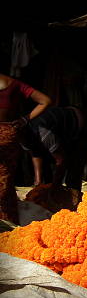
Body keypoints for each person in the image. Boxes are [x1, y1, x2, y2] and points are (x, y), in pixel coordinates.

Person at [0, 72, 51, 223]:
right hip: (8, 133)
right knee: (5, 182)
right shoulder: (14, 84)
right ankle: (7, 223)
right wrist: (24, 120)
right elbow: (45, 101)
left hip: (5, 137)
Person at [22, 105, 87, 192]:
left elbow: (60, 161)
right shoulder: (21, 138)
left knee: (73, 172)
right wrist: (38, 182)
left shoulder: (44, 134)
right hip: (63, 133)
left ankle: (72, 199)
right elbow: (35, 154)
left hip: (83, 127)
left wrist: (55, 186)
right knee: (47, 175)